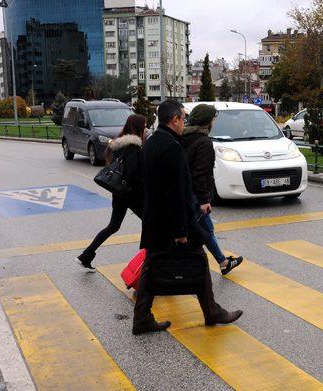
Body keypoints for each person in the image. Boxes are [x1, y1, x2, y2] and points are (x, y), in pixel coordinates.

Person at [132, 100, 242, 335]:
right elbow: (175, 191)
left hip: (156, 219)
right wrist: (181, 231)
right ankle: (211, 312)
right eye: (183, 118)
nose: (184, 122)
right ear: (175, 119)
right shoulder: (171, 146)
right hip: (172, 222)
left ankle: (142, 317)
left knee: (152, 266)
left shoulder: (151, 142)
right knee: (199, 260)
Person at [76, 114, 147, 270]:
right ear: (138, 127)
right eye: (144, 126)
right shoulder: (133, 146)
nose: (146, 129)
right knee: (150, 223)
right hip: (131, 194)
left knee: (113, 226)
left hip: (119, 192)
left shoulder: (119, 143)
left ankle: (87, 254)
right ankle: (149, 261)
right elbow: (132, 173)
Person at [180, 104, 243, 275]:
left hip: (183, 193)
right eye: (213, 119)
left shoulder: (182, 137)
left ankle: (222, 261)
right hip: (196, 196)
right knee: (202, 232)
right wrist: (203, 200)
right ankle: (214, 264)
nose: (214, 122)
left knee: (206, 230)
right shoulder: (204, 142)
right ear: (208, 122)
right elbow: (200, 174)